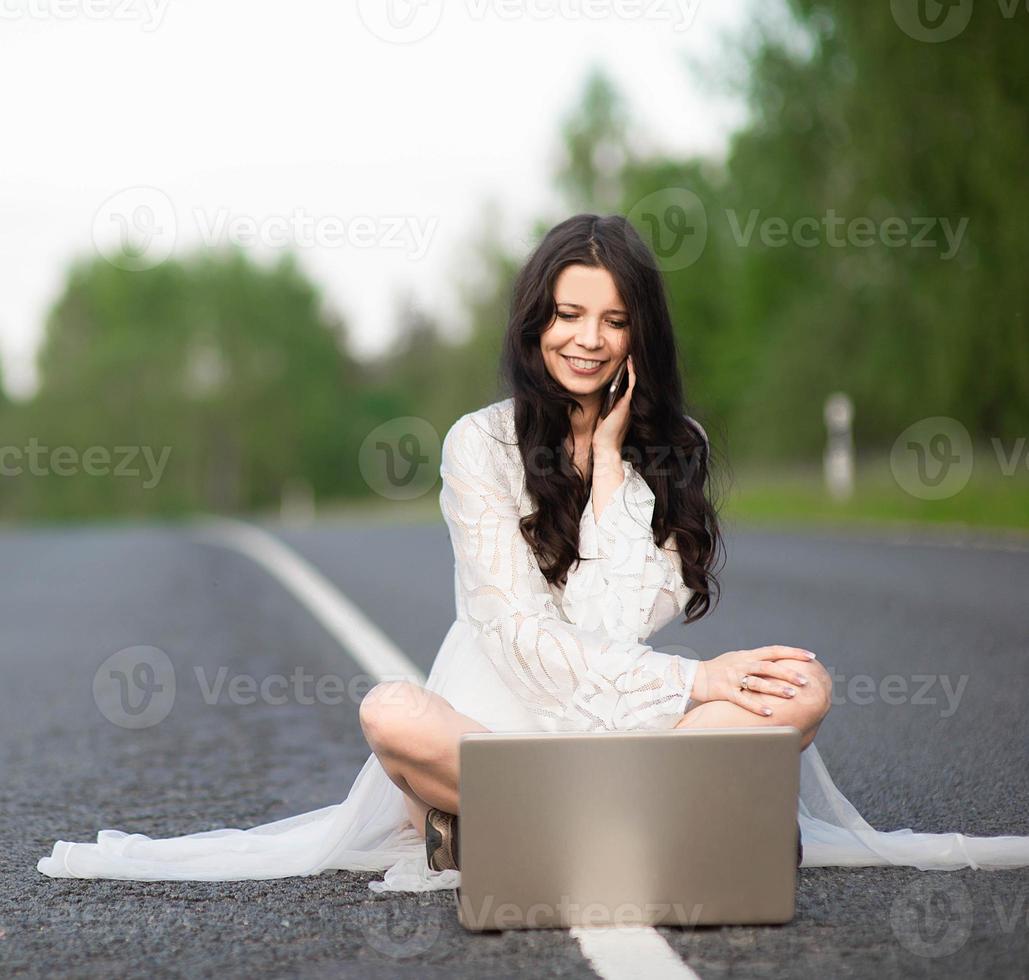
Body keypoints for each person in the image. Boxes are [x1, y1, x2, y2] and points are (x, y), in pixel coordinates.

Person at [36, 214, 1029, 890]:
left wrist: (608, 476)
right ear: (534, 320)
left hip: (623, 720)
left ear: (640, 329)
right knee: (389, 710)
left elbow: (628, 618)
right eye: (568, 313)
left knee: (802, 685)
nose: (588, 339)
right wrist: (691, 680)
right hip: (502, 716)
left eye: (613, 316)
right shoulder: (477, 445)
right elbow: (523, 642)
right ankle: (669, 826)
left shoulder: (678, 448)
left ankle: (512, 831)